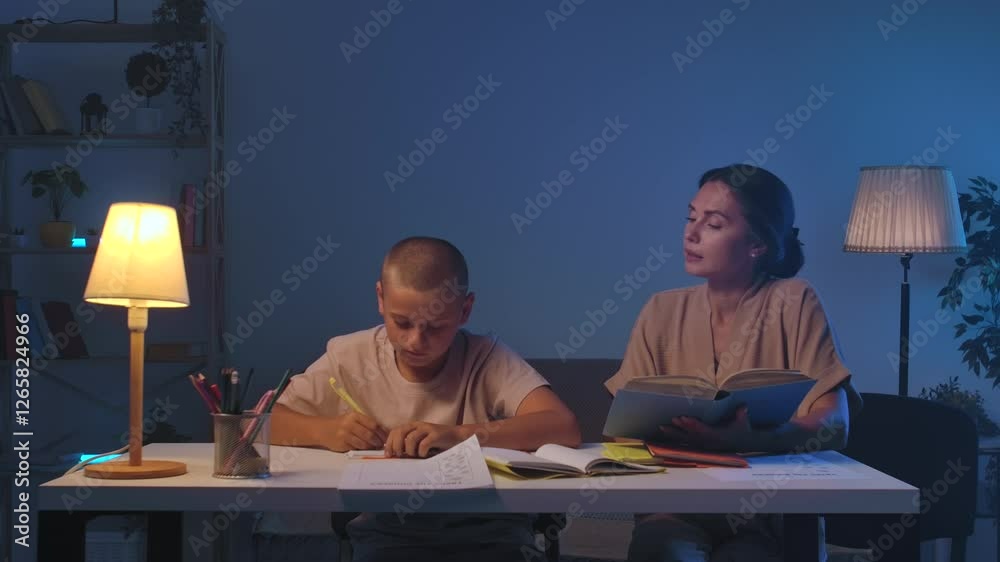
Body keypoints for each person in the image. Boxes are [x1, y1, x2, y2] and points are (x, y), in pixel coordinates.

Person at [603, 164, 863, 562]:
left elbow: (835, 422)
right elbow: (622, 432)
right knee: (664, 550)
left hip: (769, 516)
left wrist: (753, 441)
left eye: (714, 224)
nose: (690, 234)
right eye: (691, 218)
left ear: (757, 243)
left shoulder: (795, 301)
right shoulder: (660, 310)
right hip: (675, 508)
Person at [270, 236, 582, 562]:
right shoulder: (349, 356)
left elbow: (563, 425)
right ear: (380, 298)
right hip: (387, 539)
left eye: (435, 327)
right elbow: (263, 423)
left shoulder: (486, 356)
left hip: (493, 537)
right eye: (401, 322)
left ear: (465, 310)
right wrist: (326, 431)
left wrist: (458, 436)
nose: (415, 341)